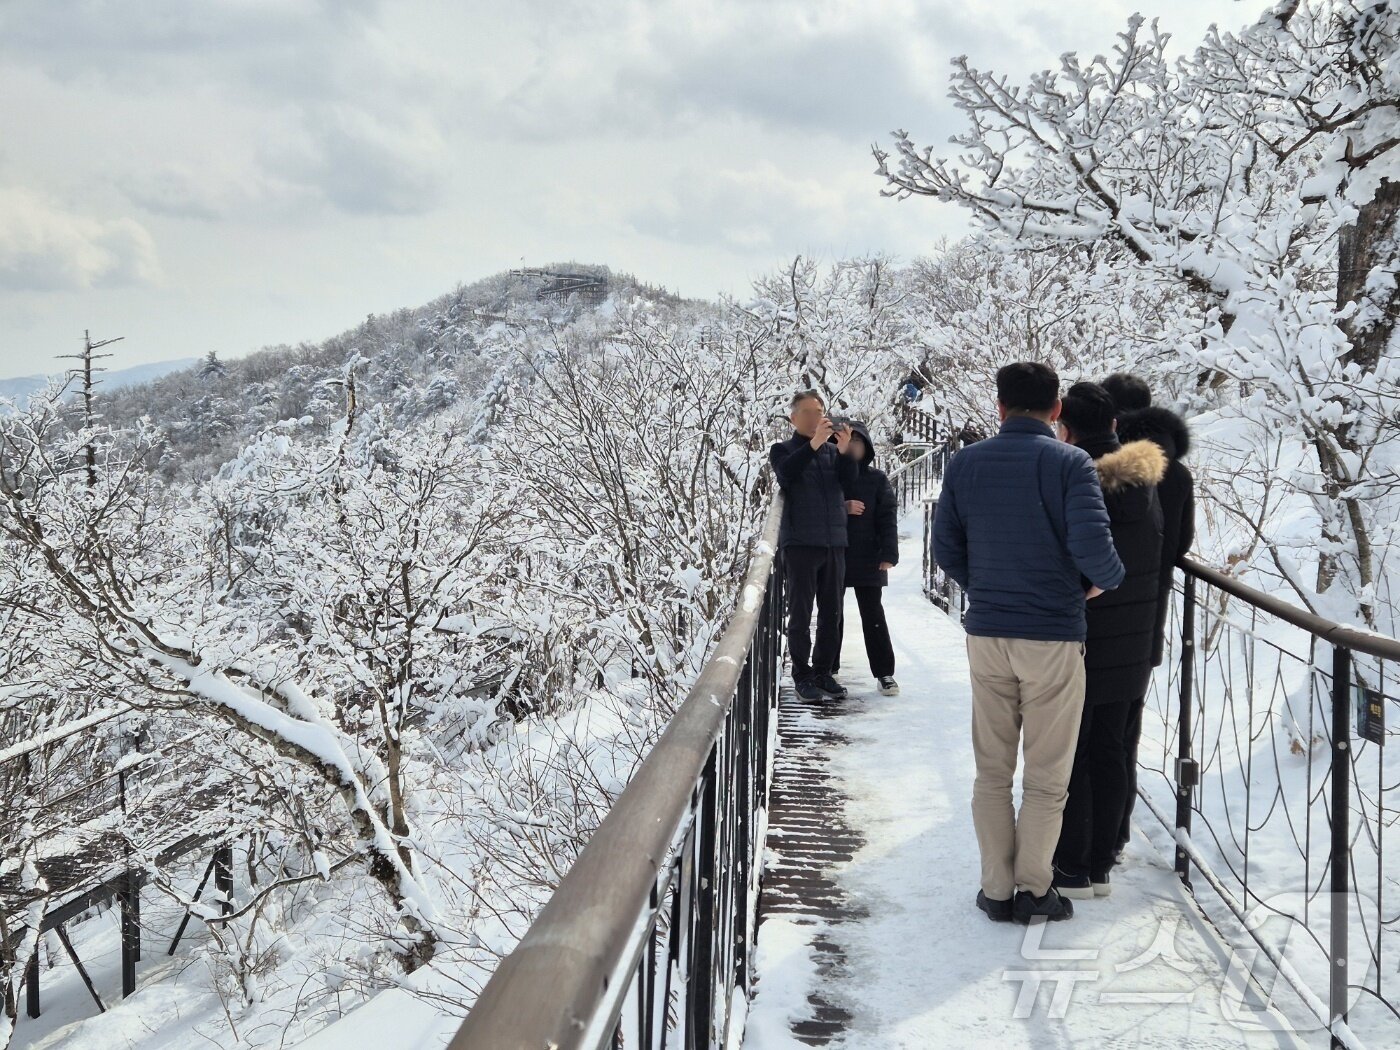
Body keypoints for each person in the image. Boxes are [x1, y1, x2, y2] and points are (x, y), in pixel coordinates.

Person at [934, 362, 1125, 925]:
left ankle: (994, 888)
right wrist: (1088, 585)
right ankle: (1034, 891)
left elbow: (947, 549)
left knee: (992, 770)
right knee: (1048, 774)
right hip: (1053, 639)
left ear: (999, 407)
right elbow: (1102, 561)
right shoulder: (1071, 464)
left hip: (988, 635)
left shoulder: (965, 464)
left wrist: (987, 588)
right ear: (1056, 409)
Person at [1051, 382, 1167, 900]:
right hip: (1135, 638)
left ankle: (1071, 867)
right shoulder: (1148, 486)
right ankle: (1101, 863)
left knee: (1070, 753)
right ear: (1116, 427)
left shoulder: (1072, 484)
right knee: (1111, 749)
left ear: (1065, 429)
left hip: (1081, 636)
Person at [1104, 373, 1196, 858]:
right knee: (1127, 731)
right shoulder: (1177, 474)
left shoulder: (1103, 469)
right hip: (1148, 617)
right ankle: (1119, 830)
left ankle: (1089, 836)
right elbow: (1180, 546)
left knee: (1089, 734)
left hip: (1098, 616)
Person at [770, 390, 859, 702]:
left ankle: (823, 672)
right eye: (807, 412)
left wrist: (846, 450)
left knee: (832, 612)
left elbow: (849, 482)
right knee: (800, 612)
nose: (814, 417)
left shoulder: (832, 452)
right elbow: (786, 475)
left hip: (834, 541)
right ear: (793, 418)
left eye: (818, 411)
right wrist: (814, 444)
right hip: (800, 543)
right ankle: (801, 674)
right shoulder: (782, 449)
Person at [830, 421, 900, 696]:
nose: (851, 447)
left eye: (858, 443)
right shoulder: (830, 476)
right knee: (832, 614)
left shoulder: (877, 479)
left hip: (869, 555)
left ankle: (885, 673)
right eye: (846, 442)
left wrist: (888, 554)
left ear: (867, 447)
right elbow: (817, 505)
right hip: (835, 553)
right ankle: (828, 668)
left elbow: (888, 517)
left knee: (873, 615)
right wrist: (842, 507)